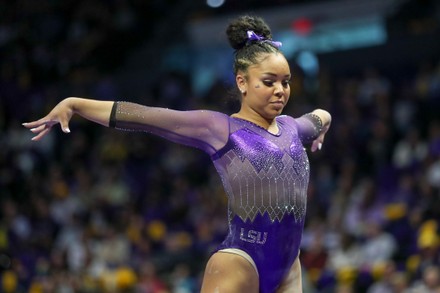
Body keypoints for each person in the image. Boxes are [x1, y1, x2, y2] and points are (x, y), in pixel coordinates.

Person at [23, 15, 331, 293]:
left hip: (289, 269)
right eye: (269, 82)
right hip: (241, 262)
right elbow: (145, 116)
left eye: (285, 82)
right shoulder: (221, 128)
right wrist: (75, 104)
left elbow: (321, 115)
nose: (280, 90)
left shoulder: (293, 128)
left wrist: (321, 129)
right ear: (242, 83)